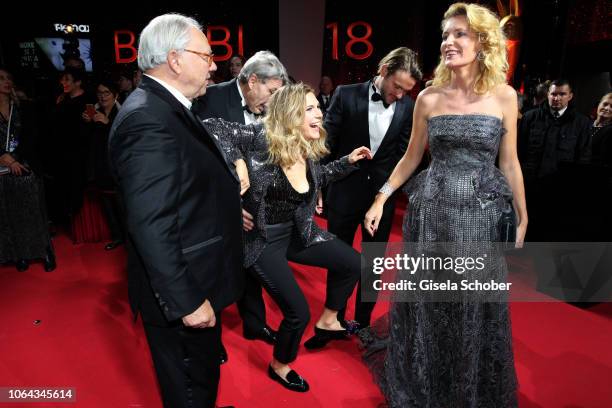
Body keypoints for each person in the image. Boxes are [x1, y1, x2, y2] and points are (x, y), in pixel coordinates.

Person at [361, 3, 527, 407]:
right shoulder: (428, 99)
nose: (448, 42)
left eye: (459, 34)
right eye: (445, 35)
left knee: (471, 302)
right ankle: (425, 384)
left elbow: (509, 161)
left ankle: (467, 387)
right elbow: (411, 157)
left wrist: (522, 216)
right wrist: (381, 197)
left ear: (483, 42)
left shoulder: (504, 96)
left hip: (479, 218)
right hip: (431, 215)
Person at [108, 14, 243, 408]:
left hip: (196, 274)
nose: (215, 64)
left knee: (201, 378)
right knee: (189, 387)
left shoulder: (166, 107)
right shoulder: (148, 119)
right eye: (208, 55)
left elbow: (181, 193)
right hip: (184, 290)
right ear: (175, 59)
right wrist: (185, 300)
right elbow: (151, 223)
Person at [202, 83, 371, 392]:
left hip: (299, 232)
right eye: (309, 109)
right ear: (289, 115)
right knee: (298, 312)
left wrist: (347, 162)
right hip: (262, 241)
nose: (319, 113)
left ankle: (329, 319)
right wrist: (238, 164)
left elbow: (320, 177)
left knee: (356, 263)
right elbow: (211, 127)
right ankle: (280, 364)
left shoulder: (306, 149)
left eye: (318, 108)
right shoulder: (260, 140)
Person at [192, 50, 288, 351]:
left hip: (254, 201)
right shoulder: (211, 98)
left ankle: (255, 324)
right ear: (252, 81)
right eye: (271, 92)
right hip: (217, 204)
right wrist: (230, 207)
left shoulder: (268, 106)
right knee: (217, 272)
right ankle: (212, 340)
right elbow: (201, 161)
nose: (274, 101)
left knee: (252, 264)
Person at [323, 47, 422, 329]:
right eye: (397, 86)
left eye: (407, 90)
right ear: (383, 71)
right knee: (338, 261)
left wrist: (384, 196)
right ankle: (333, 320)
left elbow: (403, 156)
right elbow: (326, 146)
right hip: (343, 192)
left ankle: (363, 325)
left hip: (381, 199)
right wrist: (319, 183)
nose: (400, 95)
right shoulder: (345, 93)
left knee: (373, 266)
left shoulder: (408, 107)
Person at [518, 79, 591, 241]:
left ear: (570, 96)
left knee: (549, 234)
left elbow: (583, 157)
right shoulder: (530, 117)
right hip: (529, 186)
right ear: (548, 95)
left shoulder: (582, 123)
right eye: (553, 94)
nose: (557, 98)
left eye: (562, 94)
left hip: (560, 190)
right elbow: (518, 150)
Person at [0, 67, 55, 272]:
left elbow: (32, 136)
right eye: (1, 78)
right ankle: (19, 254)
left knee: (33, 212)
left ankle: (45, 252)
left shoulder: (24, 106)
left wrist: (14, 159)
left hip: (25, 166)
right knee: (9, 215)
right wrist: (2, 157)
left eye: (8, 78)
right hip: (2, 169)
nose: (6, 81)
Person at [81, 78, 124, 250]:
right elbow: (85, 142)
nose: (102, 96)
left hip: (118, 166)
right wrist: (86, 124)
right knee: (107, 204)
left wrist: (108, 124)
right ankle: (117, 236)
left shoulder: (122, 112)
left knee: (123, 205)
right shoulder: (93, 112)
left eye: (106, 92)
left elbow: (124, 139)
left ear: (115, 95)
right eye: (100, 92)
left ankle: (130, 238)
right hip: (99, 165)